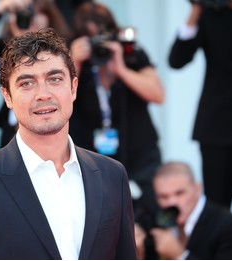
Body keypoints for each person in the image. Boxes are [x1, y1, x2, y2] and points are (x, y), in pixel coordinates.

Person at [0, 28, 137, 260]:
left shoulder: (112, 175)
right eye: (27, 83)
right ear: (7, 96)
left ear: (73, 88)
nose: (43, 94)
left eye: (54, 79)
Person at [68, 2, 165, 227]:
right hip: (92, 158)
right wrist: (73, 63)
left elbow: (158, 94)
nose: (98, 46)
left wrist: (121, 69)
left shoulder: (131, 52)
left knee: (146, 216)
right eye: (90, 39)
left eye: (102, 36)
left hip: (139, 152)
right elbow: (58, 101)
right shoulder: (72, 62)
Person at [0, 0, 71, 150]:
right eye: (23, 14)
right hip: (12, 124)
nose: (30, 18)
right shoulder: (7, 45)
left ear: (48, 15)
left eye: (35, 13)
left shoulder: (62, 49)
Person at [168, 1, 232, 210]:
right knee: (216, 204)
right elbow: (177, 59)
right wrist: (196, 9)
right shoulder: (211, 14)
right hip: (218, 123)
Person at [136, 161, 232, 260]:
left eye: (179, 193)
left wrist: (180, 255)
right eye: (163, 196)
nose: (172, 202)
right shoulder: (154, 222)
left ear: (197, 189)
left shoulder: (227, 224)